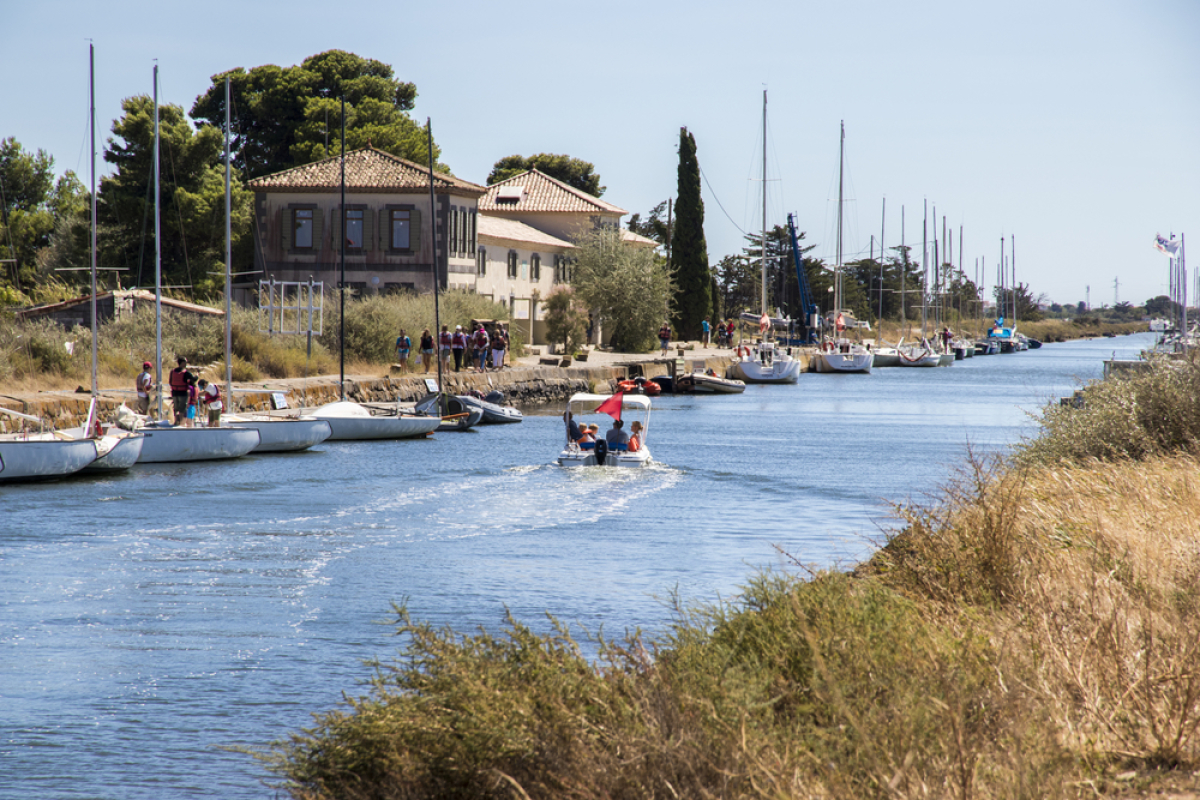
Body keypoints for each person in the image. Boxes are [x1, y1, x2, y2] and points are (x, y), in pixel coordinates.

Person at [168, 357, 190, 425]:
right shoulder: (186, 372)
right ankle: (182, 423)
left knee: (176, 408)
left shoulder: (173, 371)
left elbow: (170, 382)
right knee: (182, 409)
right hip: (183, 393)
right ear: (182, 363)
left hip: (174, 392)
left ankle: (176, 421)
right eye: (186, 362)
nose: (186, 363)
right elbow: (192, 381)